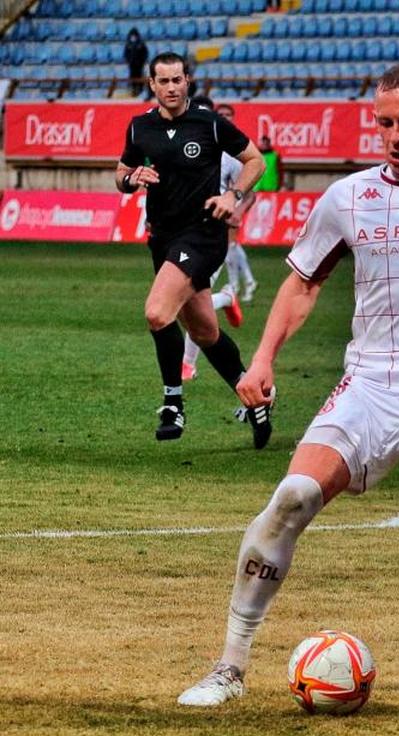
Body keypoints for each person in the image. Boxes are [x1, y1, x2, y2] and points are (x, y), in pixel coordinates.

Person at [177, 63, 399, 707]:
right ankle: (230, 664)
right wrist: (261, 359)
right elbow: (302, 282)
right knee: (291, 497)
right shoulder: (348, 198)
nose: (396, 135)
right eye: (385, 123)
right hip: (372, 381)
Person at [115, 52, 273, 448]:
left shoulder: (211, 124)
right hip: (164, 238)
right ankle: (256, 396)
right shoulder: (140, 129)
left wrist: (233, 196)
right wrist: (133, 177)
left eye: (177, 80)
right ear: (151, 84)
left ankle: (172, 402)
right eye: (163, 81)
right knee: (204, 331)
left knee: (156, 312)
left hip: (203, 234)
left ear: (188, 81)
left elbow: (255, 161)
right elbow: (121, 173)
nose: (171, 88)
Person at [181, 97, 248, 383]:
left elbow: (251, 183)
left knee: (190, 296)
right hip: (183, 233)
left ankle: (187, 364)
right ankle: (226, 297)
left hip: (212, 232)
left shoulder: (229, 153)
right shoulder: (181, 149)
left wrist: (237, 207)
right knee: (191, 299)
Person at [216, 103, 259, 303]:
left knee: (229, 246)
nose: (225, 117)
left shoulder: (237, 149)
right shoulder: (213, 146)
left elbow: (250, 191)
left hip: (227, 206)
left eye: (228, 115)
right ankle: (247, 281)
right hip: (212, 207)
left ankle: (235, 285)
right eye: (221, 114)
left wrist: (238, 210)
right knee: (230, 246)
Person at [123, 28, 148, 97]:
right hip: (131, 64)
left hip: (140, 64)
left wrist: (142, 61)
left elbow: (145, 53)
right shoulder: (128, 44)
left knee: (140, 76)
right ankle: (133, 90)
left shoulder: (141, 44)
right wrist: (128, 61)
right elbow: (126, 54)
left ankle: (140, 90)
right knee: (132, 76)